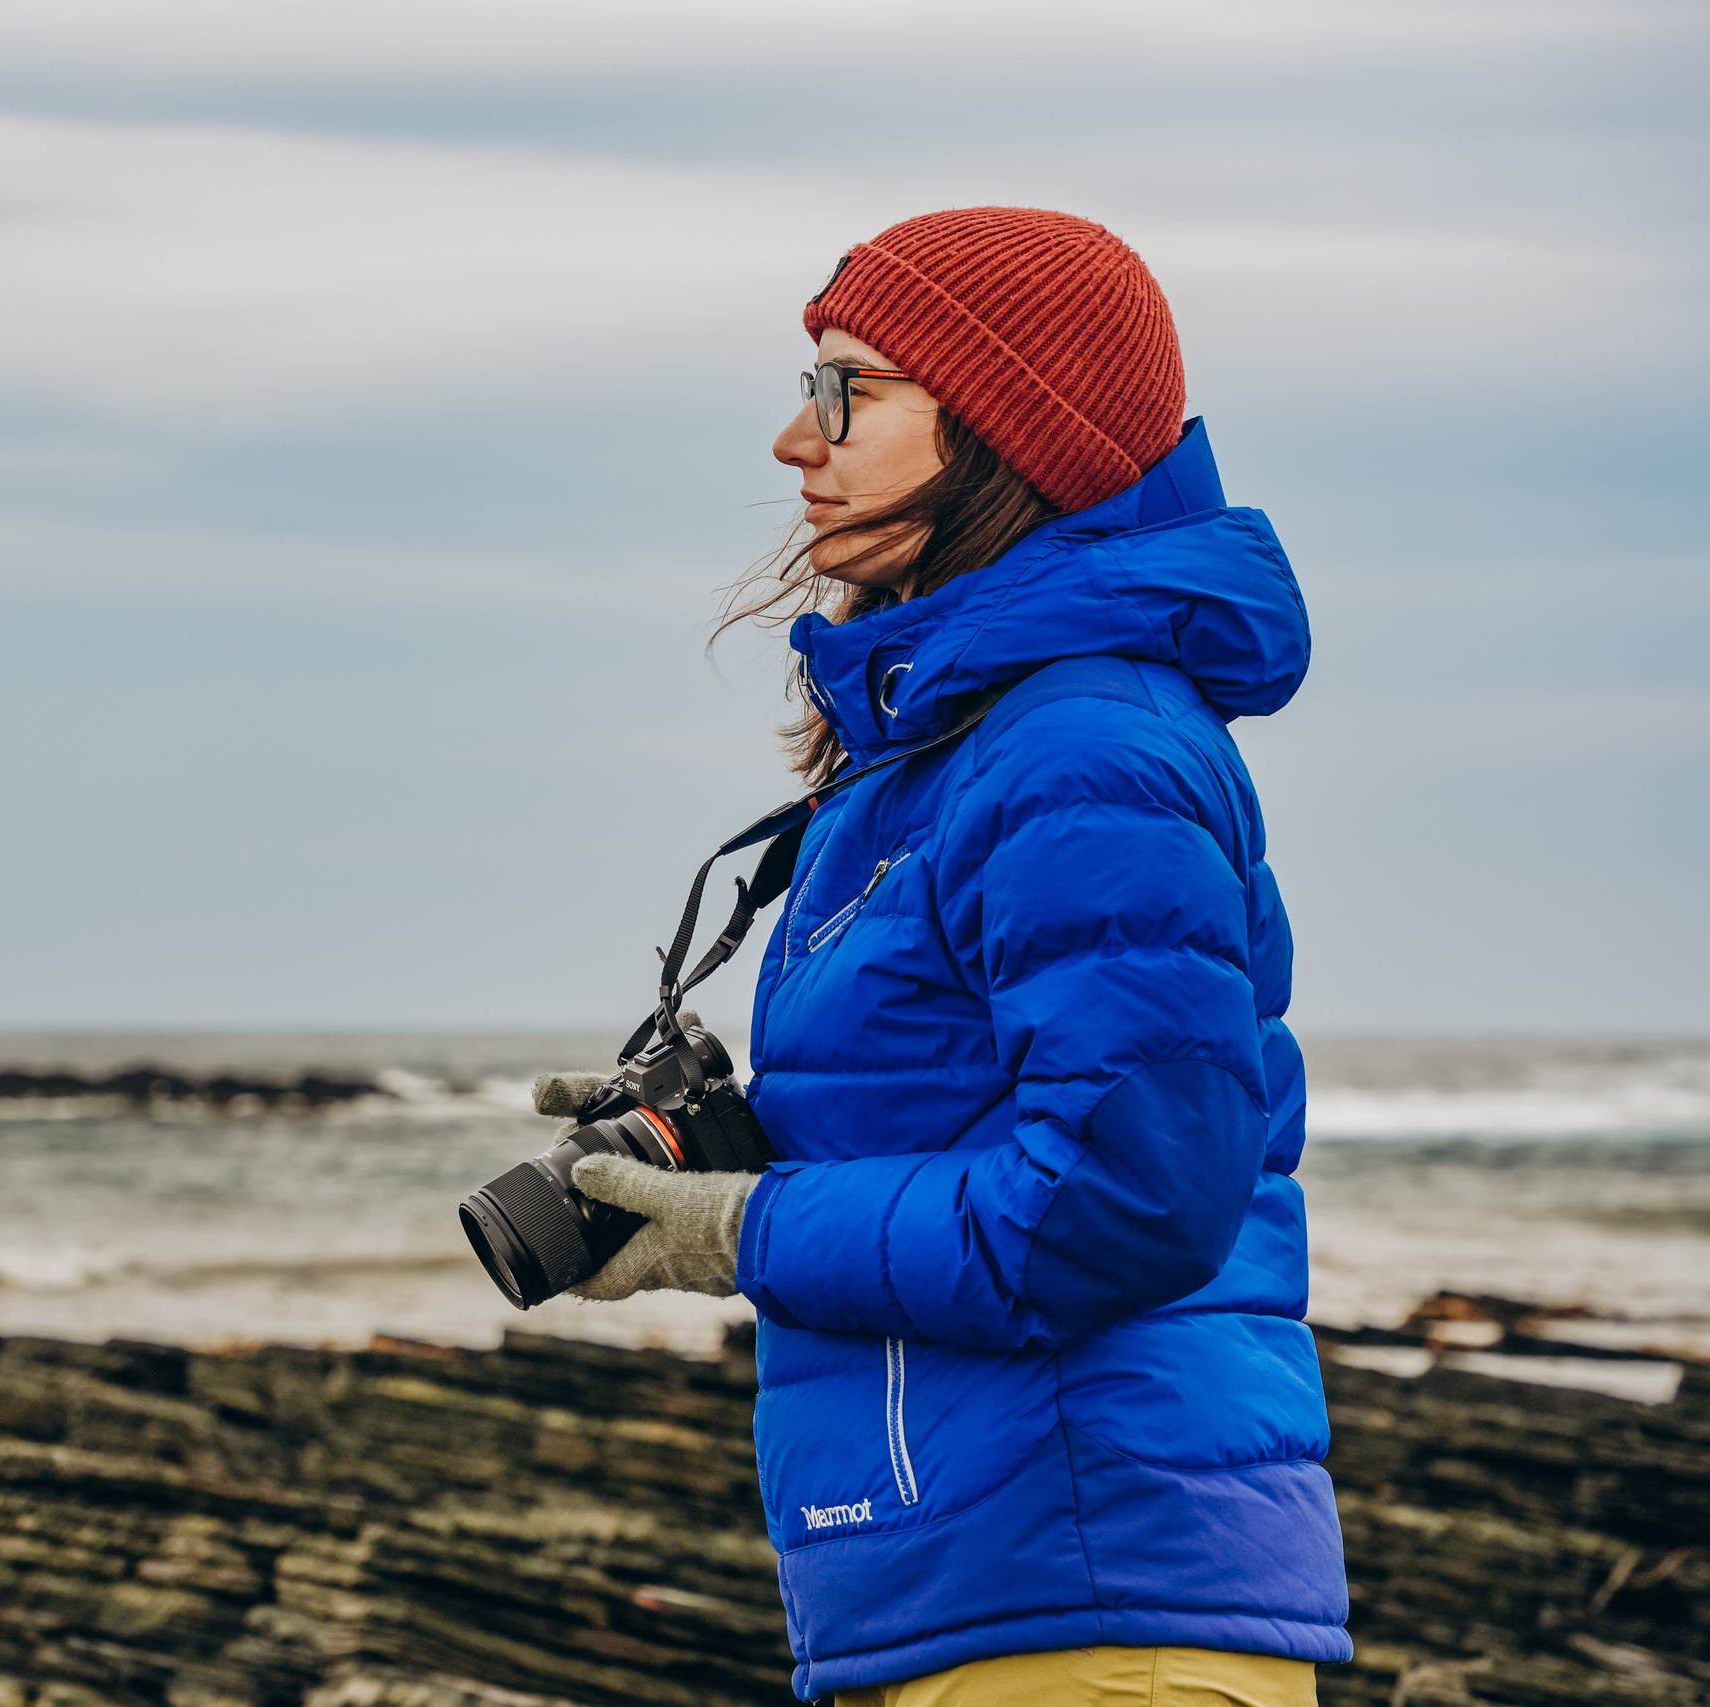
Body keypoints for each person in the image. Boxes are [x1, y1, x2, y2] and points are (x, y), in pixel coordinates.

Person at [553, 207, 1351, 1706]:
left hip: (1091, 1613)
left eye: (850, 391)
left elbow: (1121, 1199)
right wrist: (729, 1148)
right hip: (982, 1599)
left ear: (1001, 430)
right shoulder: (952, 750)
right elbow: (990, 1120)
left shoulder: (1081, 751)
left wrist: (742, 1229)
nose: (799, 439)